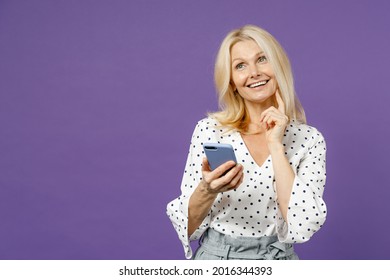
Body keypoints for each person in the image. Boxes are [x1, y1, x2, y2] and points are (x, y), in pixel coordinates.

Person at [166, 25, 327, 260]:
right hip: (216, 260)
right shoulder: (210, 131)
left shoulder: (309, 139)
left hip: (277, 260)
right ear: (232, 82)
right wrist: (208, 189)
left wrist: (275, 144)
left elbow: (302, 225)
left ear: (278, 66)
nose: (254, 72)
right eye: (240, 65)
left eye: (262, 59)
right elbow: (187, 228)